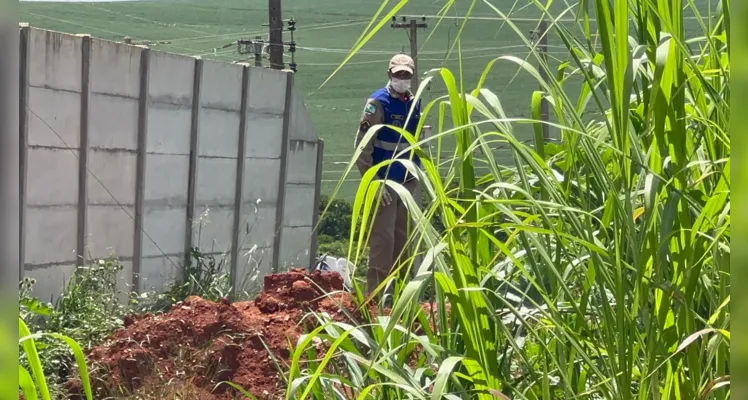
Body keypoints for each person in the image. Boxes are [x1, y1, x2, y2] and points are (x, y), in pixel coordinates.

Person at [354, 53, 422, 295]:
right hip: (383, 184)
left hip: (407, 182)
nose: (402, 79)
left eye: (406, 75)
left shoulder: (414, 102)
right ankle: (376, 299)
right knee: (383, 243)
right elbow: (363, 145)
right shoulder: (378, 102)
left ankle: (402, 297)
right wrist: (373, 182)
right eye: (398, 74)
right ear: (389, 75)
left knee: (403, 243)